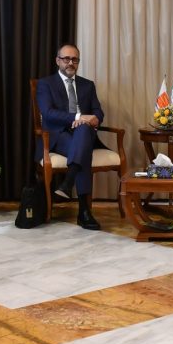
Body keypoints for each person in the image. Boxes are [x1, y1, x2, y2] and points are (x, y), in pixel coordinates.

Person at [36, 44, 104, 230]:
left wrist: (95, 119)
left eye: (74, 59)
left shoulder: (87, 85)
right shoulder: (46, 84)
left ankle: (68, 182)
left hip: (83, 134)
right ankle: (84, 212)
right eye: (66, 59)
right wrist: (79, 117)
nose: (70, 63)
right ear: (57, 61)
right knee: (83, 148)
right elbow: (48, 113)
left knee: (83, 132)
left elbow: (98, 111)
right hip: (58, 136)